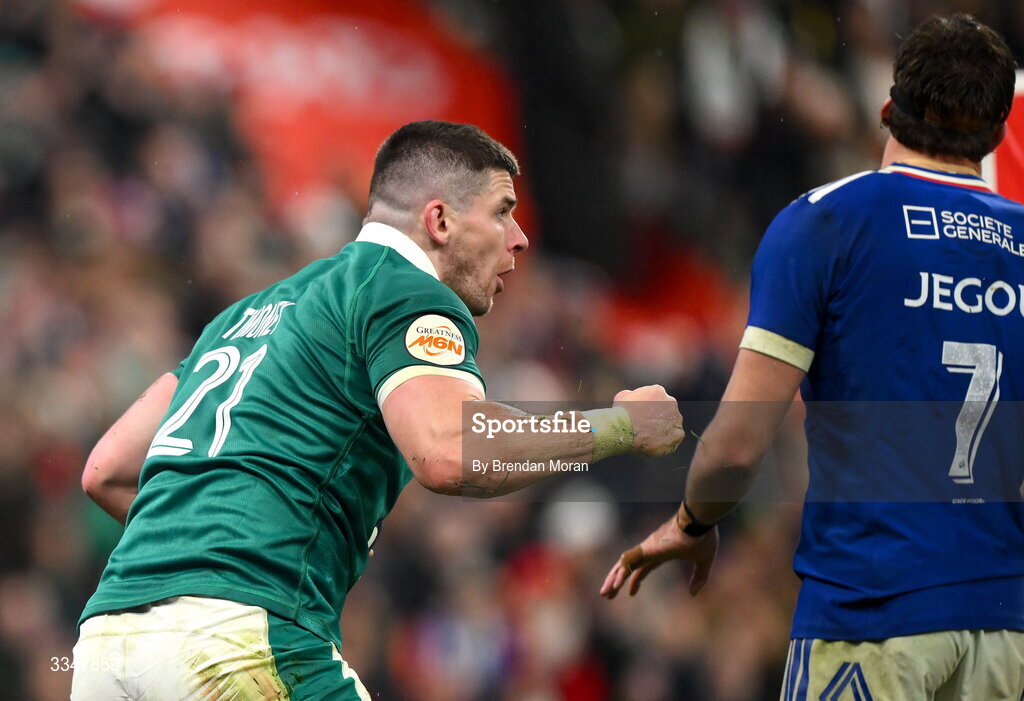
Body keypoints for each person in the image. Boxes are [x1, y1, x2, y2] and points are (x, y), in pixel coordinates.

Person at [72, 120, 685, 700]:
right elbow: (450, 451)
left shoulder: (243, 316)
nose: (520, 238)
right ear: (439, 221)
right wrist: (620, 426)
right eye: (503, 211)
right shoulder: (402, 288)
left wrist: (196, 558)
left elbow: (108, 469)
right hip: (241, 636)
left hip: (107, 643)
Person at [601, 14, 1024, 700]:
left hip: (873, 611)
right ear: (998, 131)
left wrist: (693, 521)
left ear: (888, 110)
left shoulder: (826, 221)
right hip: (1007, 629)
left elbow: (738, 444)